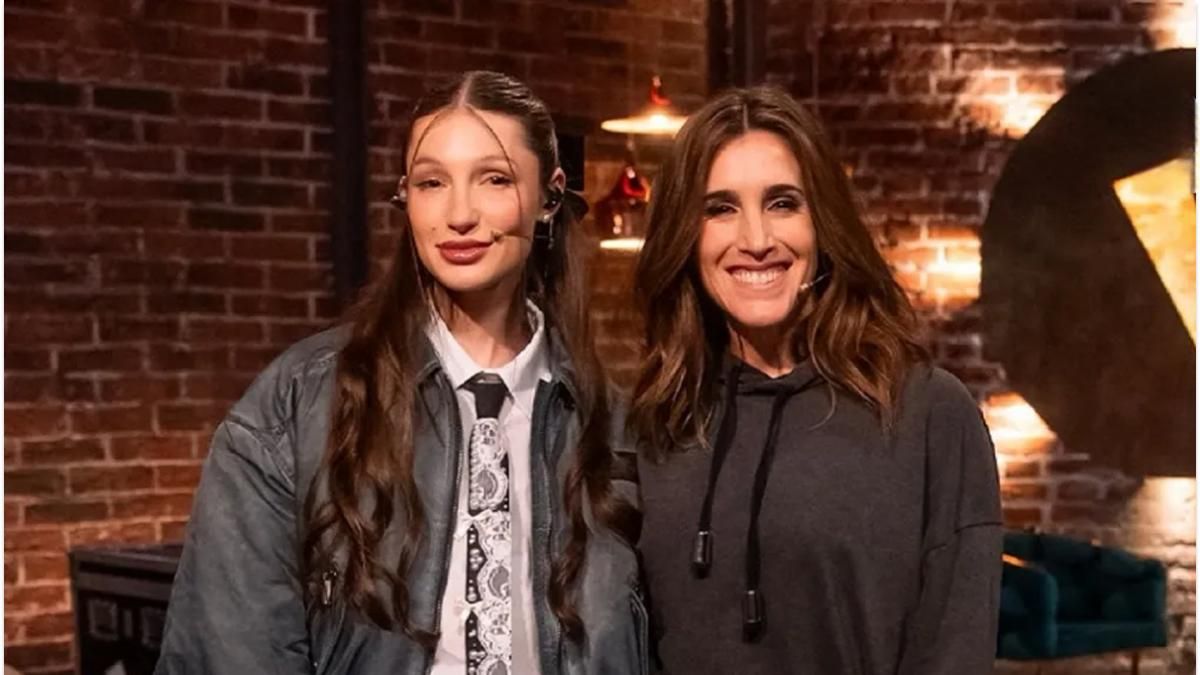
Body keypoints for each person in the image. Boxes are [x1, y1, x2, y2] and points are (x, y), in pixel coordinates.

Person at [156, 70, 645, 675]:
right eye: (431, 182)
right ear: (405, 198)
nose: (459, 214)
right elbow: (229, 648)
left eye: (494, 179)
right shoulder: (301, 405)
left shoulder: (613, 430)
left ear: (550, 195)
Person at [629, 85, 1002, 674]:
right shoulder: (654, 421)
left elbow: (955, 647)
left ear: (822, 224)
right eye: (720, 208)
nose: (755, 240)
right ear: (686, 236)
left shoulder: (926, 412)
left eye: (783, 203)